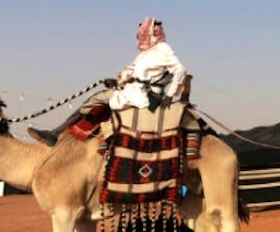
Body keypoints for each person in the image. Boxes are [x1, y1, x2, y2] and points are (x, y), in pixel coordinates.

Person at [28, 17, 190, 146]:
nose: (139, 35)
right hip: (134, 91)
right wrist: (116, 81)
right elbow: (131, 72)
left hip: (143, 95)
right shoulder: (145, 54)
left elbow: (180, 70)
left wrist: (170, 95)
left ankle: (55, 133)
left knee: (94, 101)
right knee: (98, 99)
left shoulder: (163, 49)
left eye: (143, 32)